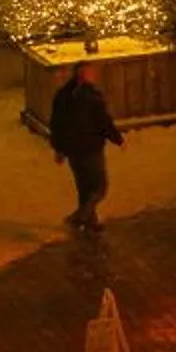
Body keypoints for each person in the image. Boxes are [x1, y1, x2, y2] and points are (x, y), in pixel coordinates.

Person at [47, 61, 125, 231]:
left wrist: (59, 148)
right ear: (85, 75)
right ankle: (80, 216)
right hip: (90, 148)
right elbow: (103, 122)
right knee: (99, 187)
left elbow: (56, 124)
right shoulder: (92, 97)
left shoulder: (62, 96)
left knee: (84, 187)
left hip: (73, 150)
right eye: (91, 73)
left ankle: (90, 222)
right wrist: (118, 139)